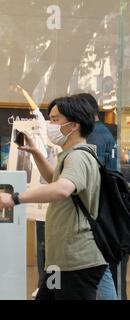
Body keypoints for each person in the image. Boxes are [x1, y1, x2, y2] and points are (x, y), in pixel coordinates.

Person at [0, 95, 107, 300]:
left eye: (56, 119)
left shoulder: (78, 157)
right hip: (61, 259)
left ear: (74, 125)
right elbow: (54, 179)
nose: (50, 125)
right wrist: (36, 152)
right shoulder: (71, 154)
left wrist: (16, 198)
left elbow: (62, 189)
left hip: (76, 261)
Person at [79, 93, 128, 300]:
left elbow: (90, 177)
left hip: (100, 212)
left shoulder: (93, 138)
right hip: (108, 210)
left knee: (104, 269)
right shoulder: (104, 134)